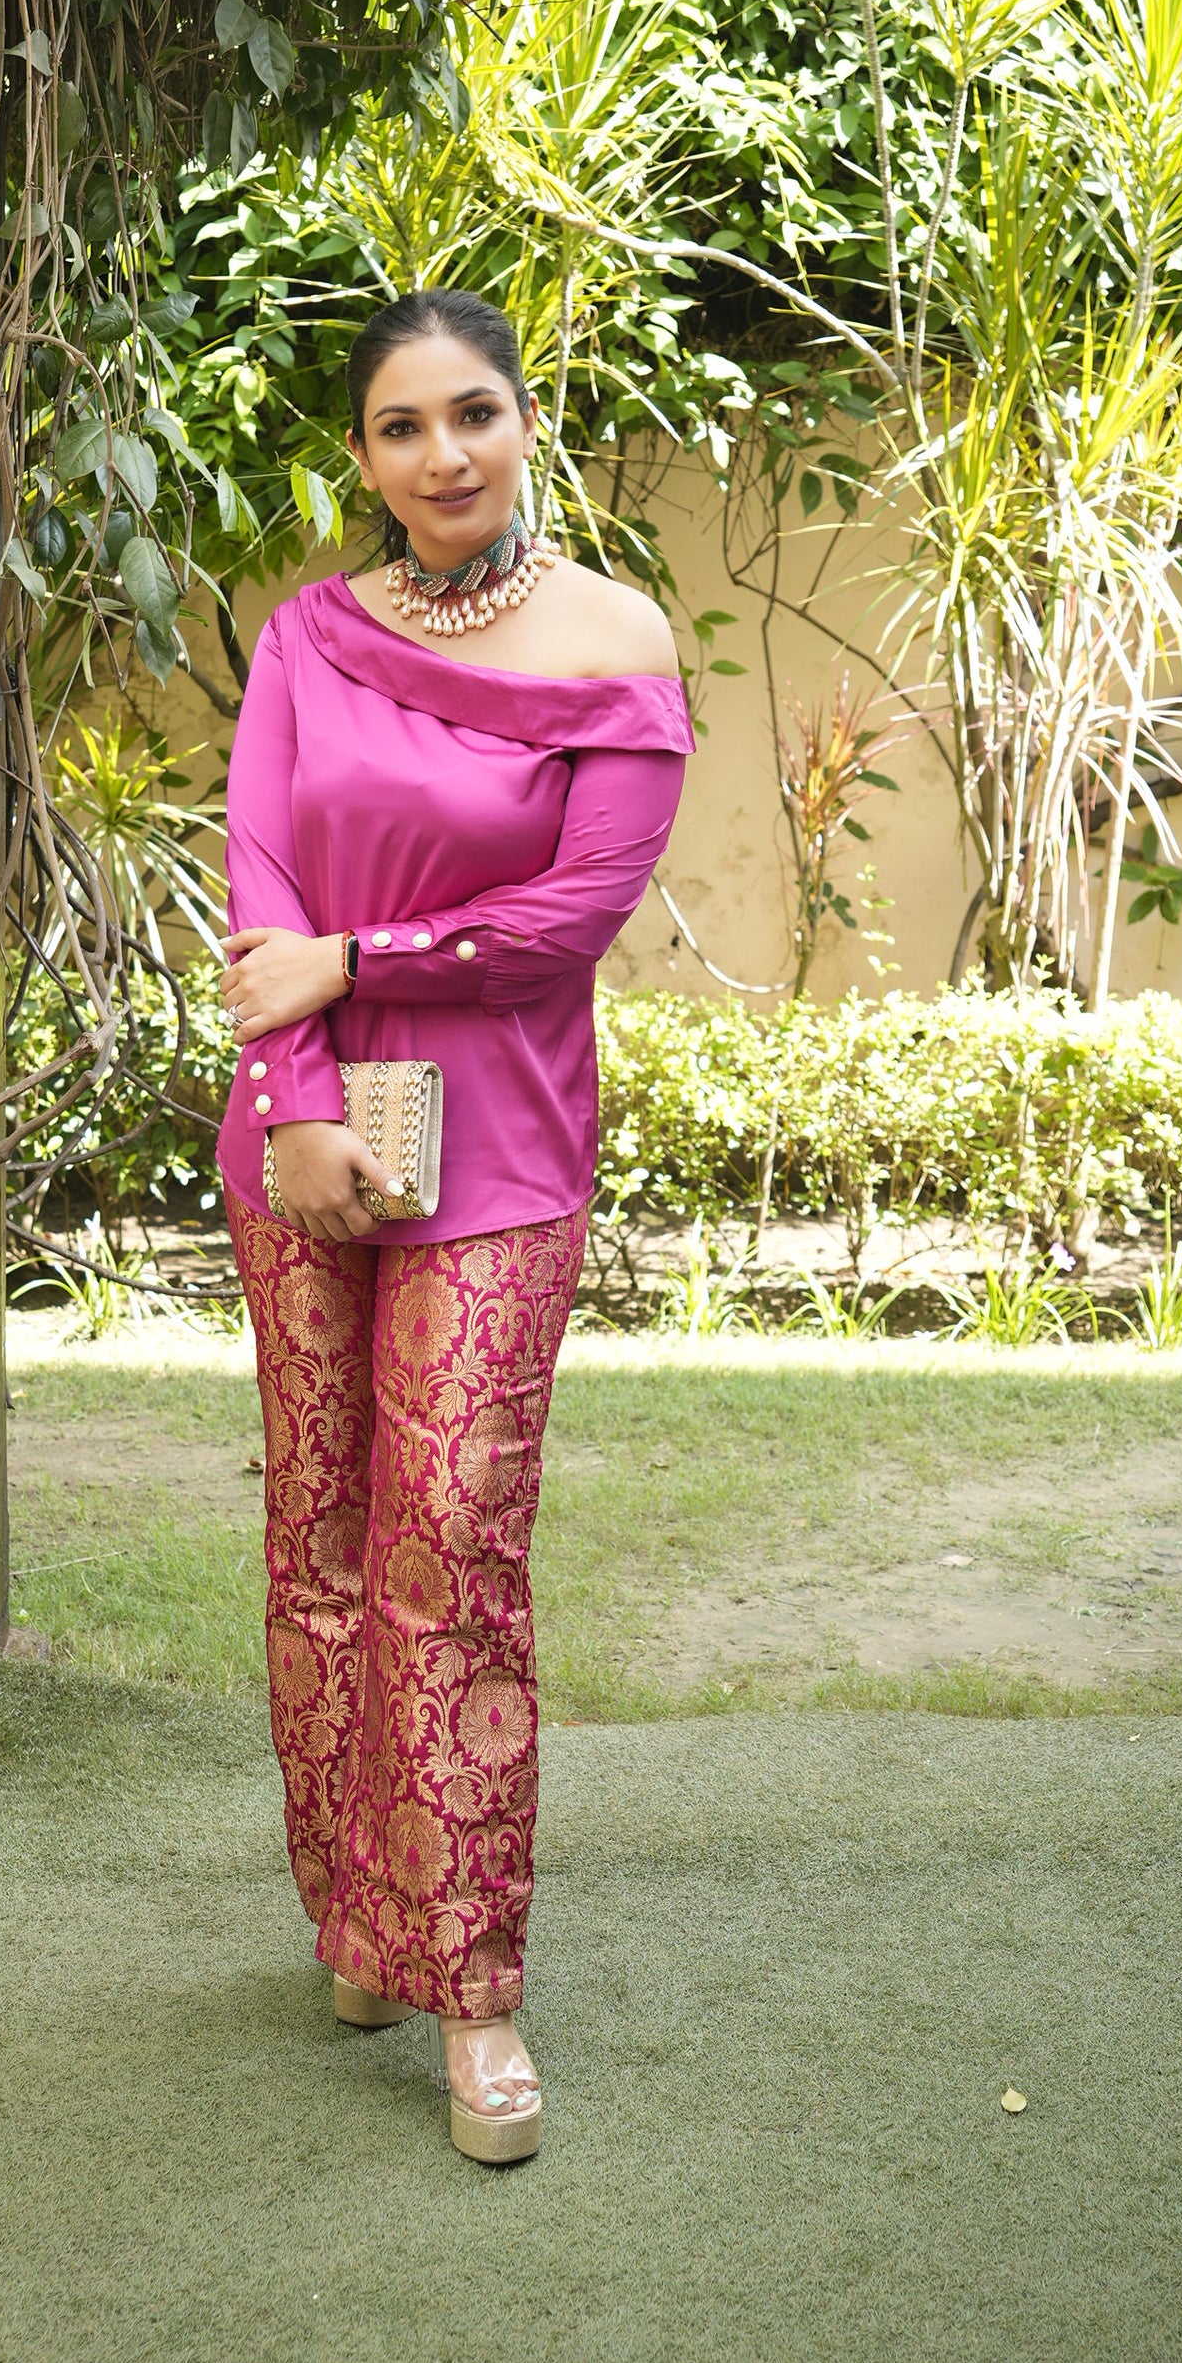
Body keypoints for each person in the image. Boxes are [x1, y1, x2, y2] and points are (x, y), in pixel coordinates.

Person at [215, 286, 692, 2163]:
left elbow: (571, 920)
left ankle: (473, 1991)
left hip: (497, 1155)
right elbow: (258, 881)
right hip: (302, 1144)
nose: (442, 456)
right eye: (401, 427)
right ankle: (364, 1916)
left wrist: (356, 958)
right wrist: (297, 1108)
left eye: (472, 413)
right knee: (320, 1540)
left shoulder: (614, 639)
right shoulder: (308, 636)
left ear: (523, 420)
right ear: (363, 454)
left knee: (450, 1548)